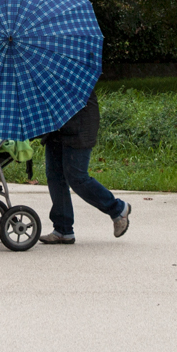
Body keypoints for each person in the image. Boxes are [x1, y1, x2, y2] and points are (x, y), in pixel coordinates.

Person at [38, 88, 130, 244]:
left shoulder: (74, 70)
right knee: (55, 176)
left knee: (77, 177)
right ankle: (63, 229)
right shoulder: (44, 69)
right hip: (56, 126)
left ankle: (117, 209)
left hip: (79, 125)